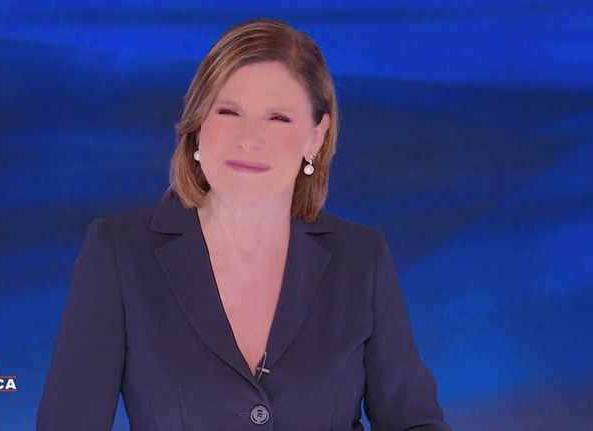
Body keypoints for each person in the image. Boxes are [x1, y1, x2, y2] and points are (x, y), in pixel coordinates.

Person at [37, 18, 451, 431]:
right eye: (229, 111)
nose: (249, 139)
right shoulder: (120, 252)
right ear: (198, 124)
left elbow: (414, 423)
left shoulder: (360, 258)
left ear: (316, 136)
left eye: (278, 118)